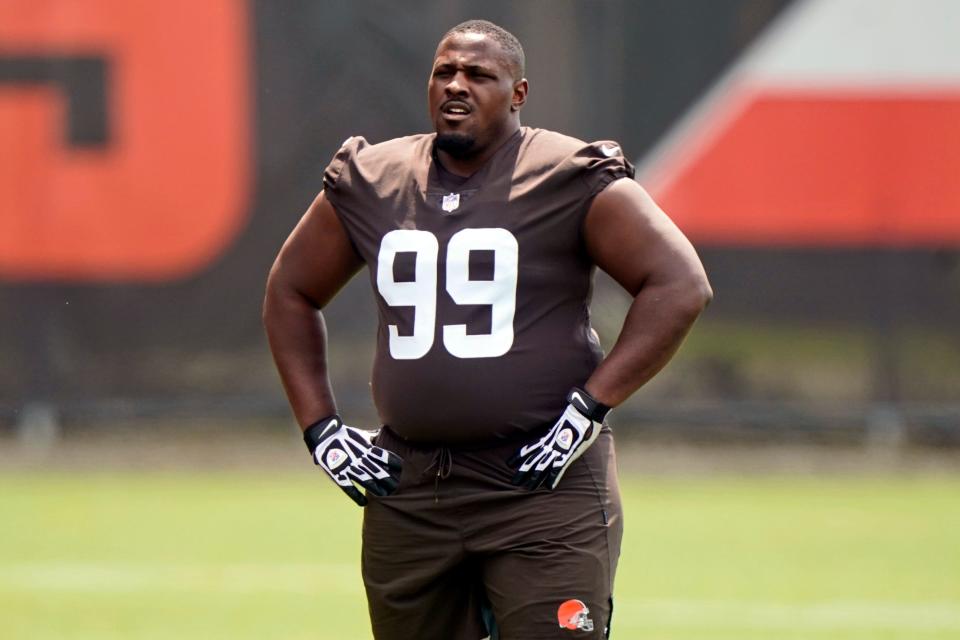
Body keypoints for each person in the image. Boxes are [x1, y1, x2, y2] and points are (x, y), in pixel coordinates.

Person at [263, 19, 711, 640]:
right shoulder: (375, 179)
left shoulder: (567, 174)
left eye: (478, 75)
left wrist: (590, 407)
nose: (456, 86)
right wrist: (321, 431)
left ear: (518, 93)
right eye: (444, 71)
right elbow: (290, 291)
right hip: (412, 489)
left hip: (538, 483)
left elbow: (679, 283)